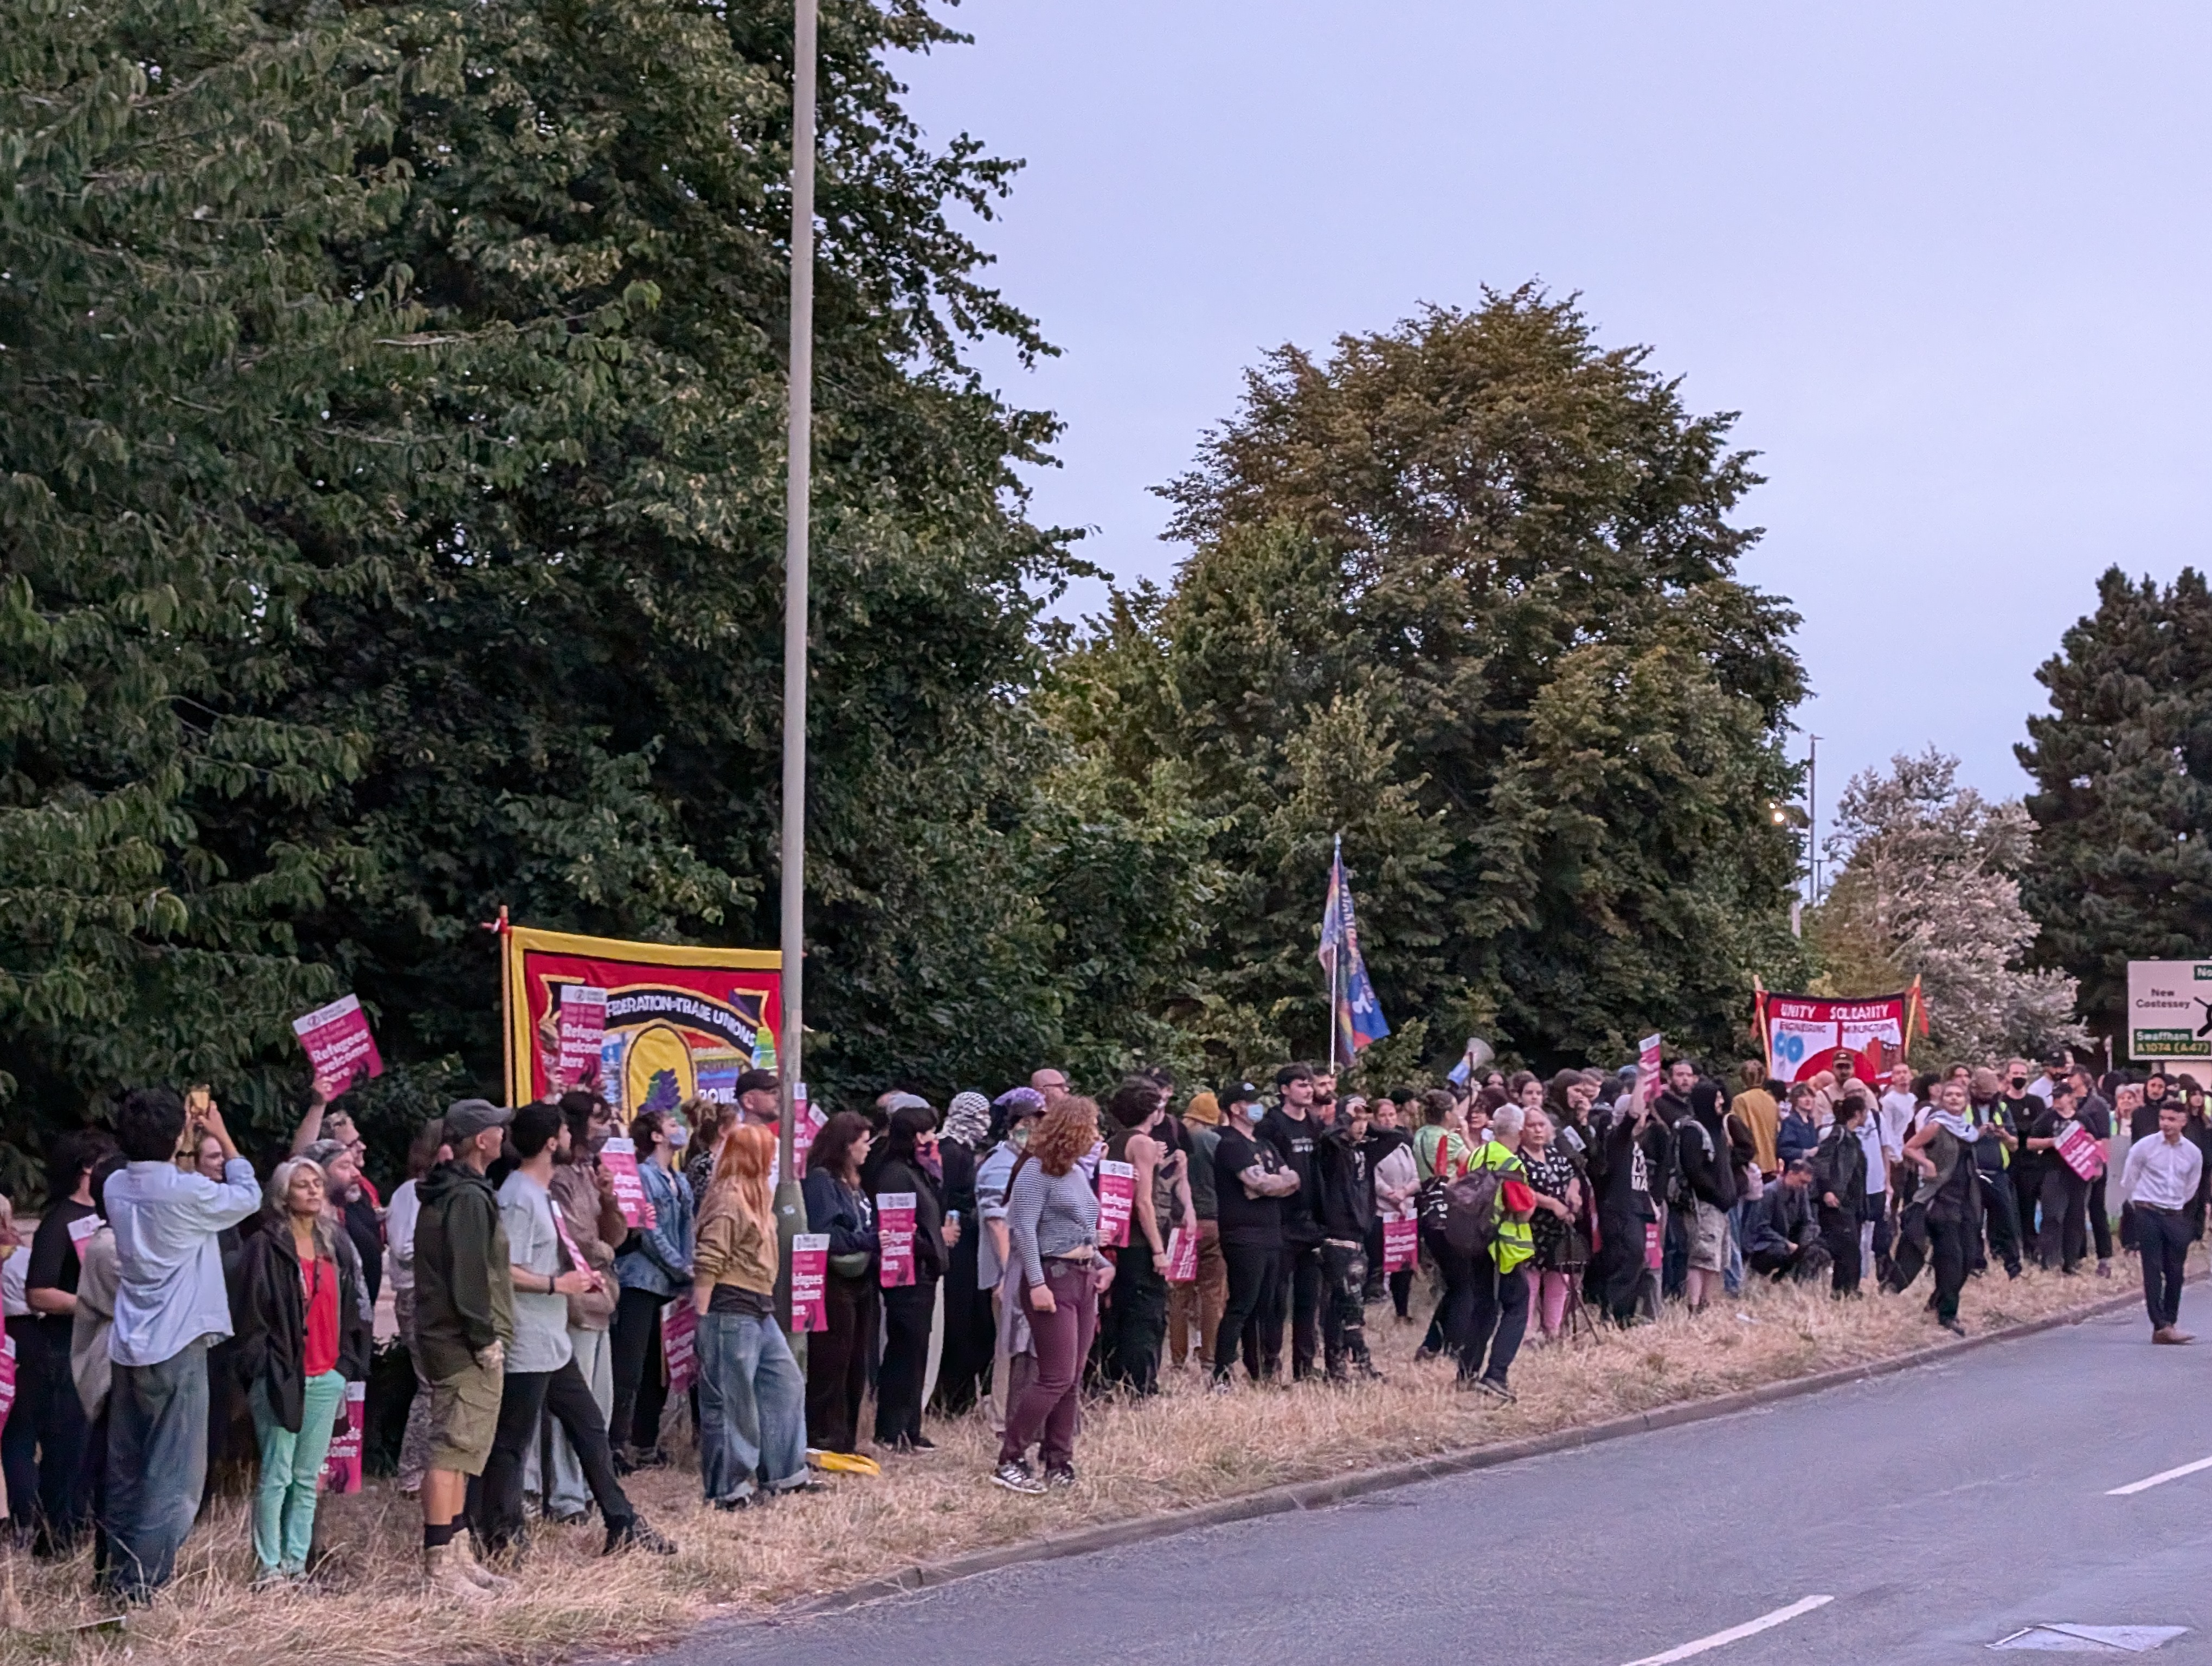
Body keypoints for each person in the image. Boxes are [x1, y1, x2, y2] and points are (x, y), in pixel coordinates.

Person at [481, 1101, 669, 1562]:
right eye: (565, 1131)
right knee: (512, 1442)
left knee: (589, 1427)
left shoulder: (542, 1192)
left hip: (553, 1339)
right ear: (551, 1141)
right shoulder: (518, 1196)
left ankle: (621, 1521)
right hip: (527, 1339)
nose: (571, 1137)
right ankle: (502, 1537)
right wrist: (556, 1284)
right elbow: (502, 1268)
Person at [101, 1088, 260, 1603]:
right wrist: (221, 1134)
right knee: (174, 1480)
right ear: (177, 1137)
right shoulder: (187, 1193)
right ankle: (140, 1587)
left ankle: (113, 1576)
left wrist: (182, 1143)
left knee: (127, 1471)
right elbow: (248, 1196)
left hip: (129, 1343)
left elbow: (162, 1168)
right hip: (180, 1343)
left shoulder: (116, 1186)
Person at [235, 1157, 372, 1587]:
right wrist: (262, 1366)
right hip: (282, 1373)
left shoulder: (335, 1242)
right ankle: (268, 1568)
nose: (313, 1191)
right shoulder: (264, 1245)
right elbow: (251, 1312)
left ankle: (296, 1566)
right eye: (301, 1185)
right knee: (276, 1473)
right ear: (282, 1195)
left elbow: (352, 1307)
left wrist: (345, 1365)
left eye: (317, 1183)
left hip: (327, 1370)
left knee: (307, 1476)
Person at [412, 1098, 519, 1599]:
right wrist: (485, 1338)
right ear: (482, 1140)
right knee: (451, 1451)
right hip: (462, 1343)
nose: (503, 1133)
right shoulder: (468, 1199)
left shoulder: (452, 1190)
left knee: (466, 1449)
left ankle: (458, 1554)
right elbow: (470, 1275)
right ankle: (439, 1566)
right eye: (498, 1127)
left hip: (449, 1337)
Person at [993, 1095, 1112, 1494]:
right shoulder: (1034, 1173)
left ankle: (1059, 1458)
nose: (1097, 1136)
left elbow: (1083, 1227)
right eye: (1092, 1128)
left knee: (1073, 1377)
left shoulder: (1075, 1174)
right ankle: (1011, 1456)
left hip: (1082, 1275)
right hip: (1051, 1275)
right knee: (1055, 1375)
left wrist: (1101, 1262)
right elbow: (1024, 1231)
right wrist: (1038, 1283)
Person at [693, 1123, 811, 1508]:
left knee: (785, 1383)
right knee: (731, 1402)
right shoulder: (729, 1199)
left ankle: (785, 1474)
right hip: (730, 1309)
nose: (773, 1162)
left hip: (758, 1308)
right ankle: (728, 1490)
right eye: (768, 1154)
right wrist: (703, 1316)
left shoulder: (755, 1195)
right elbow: (709, 1259)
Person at [15, 1127, 112, 1556]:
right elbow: (38, 1292)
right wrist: (92, 1304)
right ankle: (54, 1542)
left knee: (94, 1452)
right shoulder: (61, 1220)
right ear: (87, 1169)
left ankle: (83, 1532)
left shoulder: (113, 1218)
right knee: (65, 1452)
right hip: (61, 1352)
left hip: (100, 1350)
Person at [537, 1092, 626, 1526]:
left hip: (601, 1298)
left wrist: (609, 1198)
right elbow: (574, 1238)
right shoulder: (557, 1179)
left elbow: (617, 1234)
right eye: (596, 1120)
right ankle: (566, 1497)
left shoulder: (588, 1173)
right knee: (574, 1407)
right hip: (575, 1299)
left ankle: (592, 1484)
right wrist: (605, 1252)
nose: (603, 1129)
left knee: (600, 1405)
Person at [869, 1102, 955, 1452]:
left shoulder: (917, 1171)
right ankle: (893, 1429)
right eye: (929, 1132)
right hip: (906, 1272)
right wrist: (933, 1245)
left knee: (917, 1348)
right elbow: (896, 1227)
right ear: (916, 1136)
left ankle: (910, 1426)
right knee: (905, 1347)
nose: (934, 1138)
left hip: (924, 1271)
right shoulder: (894, 1173)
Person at [609, 1109, 692, 1470]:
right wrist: (680, 1265)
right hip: (641, 1281)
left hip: (670, 1285)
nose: (680, 1130)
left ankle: (645, 1442)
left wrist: (688, 1266)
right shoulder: (643, 1176)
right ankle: (616, 1445)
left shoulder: (679, 1179)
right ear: (656, 1136)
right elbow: (649, 1233)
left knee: (660, 1371)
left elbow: (687, 1226)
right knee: (630, 1366)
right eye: (672, 1125)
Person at [801, 1112, 879, 1454]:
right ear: (847, 1146)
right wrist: (868, 1240)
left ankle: (846, 1435)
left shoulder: (855, 1183)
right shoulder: (822, 1181)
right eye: (864, 1143)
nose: (869, 1150)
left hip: (861, 1279)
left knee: (856, 1359)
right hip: (833, 1280)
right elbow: (825, 1234)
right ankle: (820, 1433)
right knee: (833, 1357)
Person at [1211, 1082, 1297, 1387]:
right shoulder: (1231, 1143)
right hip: (1242, 1234)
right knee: (1242, 1304)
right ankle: (1221, 1373)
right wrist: (1272, 1185)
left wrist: (1272, 1185)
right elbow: (1259, 1184)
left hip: (1271, 1232)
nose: (1257, 1107)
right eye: (1251, 1102)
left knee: (1268, 1305)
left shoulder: (1264, 1144)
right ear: (1236, 1108)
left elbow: (1292, 1179)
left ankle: (1259, 1370)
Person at [1098, 1078, 1175, 1395]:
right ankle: (1142, 1384)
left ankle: (1114, 1377)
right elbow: (1143, 1201)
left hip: (1116, 1240)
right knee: (1146, 1314)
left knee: (1120, 1312)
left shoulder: (1114, 1142)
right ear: (1152, 1111)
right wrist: (1159, 1249)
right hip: (1140, 1242)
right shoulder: (1142, 1144)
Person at [387, 1116, 449, 1496]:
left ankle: (427, 1468)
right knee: (430, 1386)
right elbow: (402, 1247)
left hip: (433, 1291)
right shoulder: (411, 1192)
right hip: (415, 1293)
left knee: (437, 1385)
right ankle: (411, 1472)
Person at [1458, 1104, 1535, 1399]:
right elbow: (1524, 1211)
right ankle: (1496, 1374)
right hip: (1504, 1247)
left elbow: (1459, 1185)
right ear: (1518, 1130)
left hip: (1474, 1241)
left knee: (1484, 1307)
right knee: (1517, 1307)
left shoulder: (1478, 1153)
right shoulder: (1512, 1165)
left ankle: (1466, 1373)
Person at [1256, 1065, 1326, 1383]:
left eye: (1311, 1085)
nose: (1309, 1091)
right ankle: (1270, 1364)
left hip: (1311, 1224)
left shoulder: (1315, 1123)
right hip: (1280, 1223)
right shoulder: (1271, 1125)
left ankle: (1305, 1366)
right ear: (1285, 1090)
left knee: (1308, 1300)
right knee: (1275, 1300)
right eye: (1302, 1085)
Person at [1901, 1080, 1980, 1336]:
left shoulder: (1968, 1129)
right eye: (1949, 1095)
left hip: (1966, 1198)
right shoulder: (1937, 1124)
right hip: (1941, 1199)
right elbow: (1909, 1147)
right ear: (1942, 1099)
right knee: (1951, 1258)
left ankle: (1937, 1302)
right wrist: (1927, 1163)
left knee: (1970, 1257)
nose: (1955, 1099)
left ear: (1966, 1101)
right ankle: (1948, 1315)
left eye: (1959, 1095)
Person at [933, 1091, 994, 1415]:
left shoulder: (959, 1150)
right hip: (957, 1245)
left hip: (964, 1243)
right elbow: (953, 1199)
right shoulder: (953, 1152)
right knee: (959, 1319)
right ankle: (952, 1396)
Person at [2121, 1099, 2202, 1343]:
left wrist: (2176, 1206)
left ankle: (2169, 1322)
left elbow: (2191, 1188)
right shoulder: (2145, 1147)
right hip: (2147, 1211)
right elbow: (2129, 1179)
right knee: (2153, 1267)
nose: (2166, 1124)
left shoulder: (2192, 1153)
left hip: (2175, 1213)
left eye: (2172, 1120)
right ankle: (2160, 1323)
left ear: (2183, 1122)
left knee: (2176, 1270)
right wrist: (2140, 1204)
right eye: (2163, 1119)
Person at [1313, 1094, 1379, 1381]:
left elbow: (1396, 1137)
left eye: (1365, 1119)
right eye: (1356, 1119)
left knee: (1343, 1306)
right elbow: (1329, 1139)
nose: (1361, 1125)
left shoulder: (1363, 1152)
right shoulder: (1333, 1149)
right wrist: (1345, 1115)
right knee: (1349, 1305)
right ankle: (1361, 1363)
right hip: (1336, 1236)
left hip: (1358, 1235)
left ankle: (1337, 1366)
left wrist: (1369, 1113)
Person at [1168, 1091, 1229, 1368]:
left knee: (1180, 1293)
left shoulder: (1173, 1141)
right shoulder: (1216, 1142)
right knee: (1212, 1293)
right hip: (1213, 1221)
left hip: (1178, 1223)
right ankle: (1209, 1358)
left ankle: (1178, 1360)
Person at [1587, 1085, 1655, 1325]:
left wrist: (1651, 1205)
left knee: (1637, 1261)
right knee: (1627, 1257)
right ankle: (1612, 1314)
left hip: (1637, 1209)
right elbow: (1631, 1117)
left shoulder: (1636, 1144)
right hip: (1620, 1210)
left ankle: (1625, 1316)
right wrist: (1643, 1078)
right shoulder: (1618, 1139)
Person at [1521, 1108, 1583, 1341]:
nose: (1538, 1130)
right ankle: (1525, 1333)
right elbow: (1521, 1189)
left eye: (1541, 1125)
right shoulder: (1518, 1157)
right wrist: (1551, 1204)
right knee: (1530, 1282)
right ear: (1522, 1129)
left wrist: (1573, 1193)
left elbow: (1572, 1177)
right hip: (1532, 1226)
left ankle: (1552, 1330)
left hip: (1559, 1228)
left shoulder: (1554, 1153)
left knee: (1559, 1278)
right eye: (1532, 1125)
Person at [1675, 1082, 1737, 1313]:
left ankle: (1707, 1303)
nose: (1721, 1103)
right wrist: (1716, 1194)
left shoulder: (1718, 1130)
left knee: (1717, 1258)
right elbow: (1694, 1170)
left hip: (1721, 1205)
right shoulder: (1694, 1131)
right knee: (1702, 1256)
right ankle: (1693, 1304)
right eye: (1717, 1098)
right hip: (1704, 1204)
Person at [2024, 1080, 2092, 1274]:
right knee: (2053, 1216)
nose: (2055, 1101)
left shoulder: (2082, 1119)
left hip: (2078, 1173)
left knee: (2075, 1217)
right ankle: (2049, 1261)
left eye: (2059, 1097)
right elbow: (2031, 1143)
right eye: (2053, 1097)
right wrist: (2054, 1142)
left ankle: (2071, 1261)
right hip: (2054, 1171)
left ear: (2070, 1098)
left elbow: (2095, 1141)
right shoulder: (2047, 1118)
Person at [1965, 1067, 2024, 1277]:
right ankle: (1976, 1265)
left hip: (1998, 1172)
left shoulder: (2001, 1108)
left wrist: (2004, 1135)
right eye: (1984, 1095)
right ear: (1974, 1089)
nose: (1987, 1099)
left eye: (1991, 1095)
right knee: (1973, 1221)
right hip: (1973, 1173)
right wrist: (1977, 1133)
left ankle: (2011, 1263)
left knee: (2006, 1219)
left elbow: (2015, 1144)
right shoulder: (1964, 1108)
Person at [1366, 1096, 1419, 1322]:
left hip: (1405, 1214)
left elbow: (1416, 1176)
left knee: (1404, 1266)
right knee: (1376, 1262)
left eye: (1391, 1115)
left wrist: (1405, 1193)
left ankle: (1402, 1312)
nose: (1388, 1120)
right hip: (1382, 1212)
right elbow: (1373, 1179)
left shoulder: (1403, 1145)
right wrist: (1391, 1196)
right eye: (1383, 1116)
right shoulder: (1371, 1145)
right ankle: (1368, 1308)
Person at [1811, 1095, 1870, 1297]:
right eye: (1865, 1111)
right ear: (1858, 1113)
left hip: (1852, 1200)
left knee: (1852, 1245)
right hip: (1839, 1199)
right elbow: (1821, 1163)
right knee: (1847, 1245)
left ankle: (1849, 1288)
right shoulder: (1838, 1135)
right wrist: (1827, 1189)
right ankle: (1842, 1290)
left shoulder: (1853, 1138)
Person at [2067, 1065, 2116, 1277]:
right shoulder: (2069, 1103)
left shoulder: (2097, 1106)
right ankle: (2077, 1256)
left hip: (2094, 1163)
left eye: (2072, 1075)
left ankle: (2105, 1256)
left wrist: (2098, 1167)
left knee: (2097, 1209)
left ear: (2084, 1079)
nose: (2068, 1079)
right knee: (2076, 1210)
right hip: (2074, 1163)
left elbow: (2105, 1138)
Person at [1745, 1161, 1825, 1281]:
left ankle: (1796, 1284)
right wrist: (1787, 1243)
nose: (1804, 1186)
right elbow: (1761, 1228)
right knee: (1780, 1252)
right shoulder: (1770, 1191)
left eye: (1807, 1184)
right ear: (1791, 1174)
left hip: (1788, 1239)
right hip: (1764, 1244)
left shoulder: (1801, 1192)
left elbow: (1808, 1221)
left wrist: (1807, 1241)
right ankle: (1762, 1277)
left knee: (1819, 1251)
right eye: (1802, 1181)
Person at [1729, 1062, 1780, 1180]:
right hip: (1771, 1161)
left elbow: (1740, 1130)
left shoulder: (1740, 1100)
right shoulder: (1771, 1100)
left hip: (1753, 1163)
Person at [1774, 1083, 1821, 1168]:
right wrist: (1806, 1153)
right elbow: (1783, 1150)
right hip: (1796, 1172)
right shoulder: (1790, 1122)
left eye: (1811, 1096)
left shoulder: (1811, 1122)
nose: (1808, 1100)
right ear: (1795, 1099)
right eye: (1803, 1096)